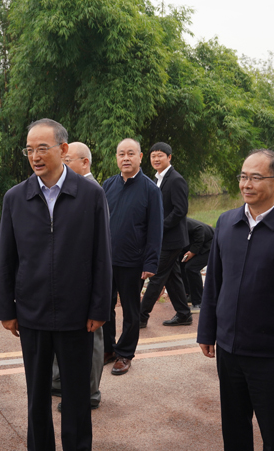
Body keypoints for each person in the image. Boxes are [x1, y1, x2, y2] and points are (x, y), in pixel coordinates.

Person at [197, 149, 274, 451]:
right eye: (243, 177)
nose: (247, 184)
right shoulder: (227, 222)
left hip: (273, 354)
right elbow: (214, 282)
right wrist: (207, 331)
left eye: (256, 177)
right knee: (234, 425)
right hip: (229, 350)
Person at [0, 119, 112, 451]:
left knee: (77, 396)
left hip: (77, 315)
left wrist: (99, 308)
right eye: (29, 150)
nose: (35, 156)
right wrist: (7, 309)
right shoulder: (16, 198)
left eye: (42, 148)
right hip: (32, 315)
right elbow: (8, 259)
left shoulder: (90, 194)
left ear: (63, 149)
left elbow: (101, 256)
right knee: (37, 396)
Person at [51, 142, 105, 412]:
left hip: (85, 282)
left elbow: (100, 248)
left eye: (68, 158)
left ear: (85, 162)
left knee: (92, 337)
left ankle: (89, 391)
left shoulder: (92, 191)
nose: (64, 162)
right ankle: (64, 382)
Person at [102, 138, 163, 375]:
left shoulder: (150, 189)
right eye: (121, 154)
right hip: (107, 260)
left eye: (130, 154)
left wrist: (150, 262)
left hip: (133, 262)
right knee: (105, 307)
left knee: (130, 309)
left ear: (139, 157)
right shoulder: (108, 185)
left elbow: (156, 229)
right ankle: (108, 349)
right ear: (116, 158)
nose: (125, 158)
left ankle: (125, 353)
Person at [139, 142, 192, 327]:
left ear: (169, 157)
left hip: (172, 239)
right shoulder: (155, 180)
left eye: (160, 155)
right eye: (153, 156)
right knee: (172, 276)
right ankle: (184, 314)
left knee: (156, 277)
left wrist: (158, 227)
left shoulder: (176, 179)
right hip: (163, 238)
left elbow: (180, 210)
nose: (156, 159)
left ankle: (140, 316)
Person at [181, 217, 214, 311]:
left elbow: (199, 229)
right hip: (199, 244)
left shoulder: (178, 222)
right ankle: (190, 295)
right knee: (182, 265)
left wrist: (193, 251)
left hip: (211, 243)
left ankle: (199, 302)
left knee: (191, 267)